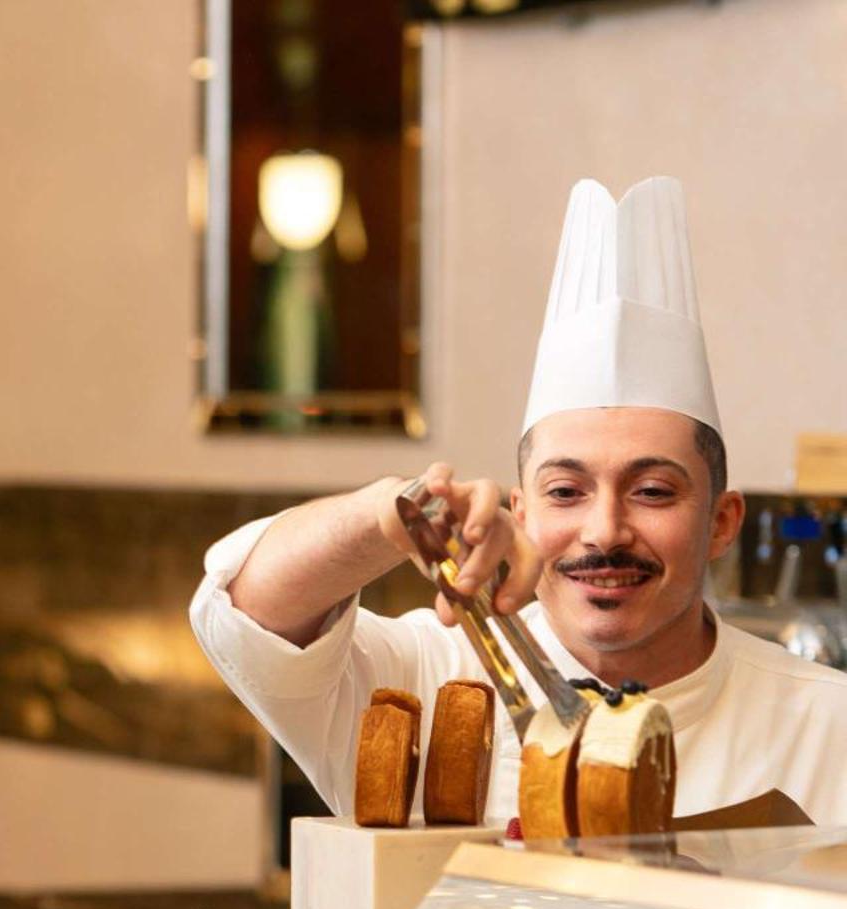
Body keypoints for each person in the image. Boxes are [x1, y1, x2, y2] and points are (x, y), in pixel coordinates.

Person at [192, 176, 847, 826]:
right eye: (566, 491)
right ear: (522, 512)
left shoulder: (827, 727)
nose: (605, 530)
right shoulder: (429, 683)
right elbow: (246, 615)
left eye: (652, 491)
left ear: (721, 522)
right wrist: (394, 513)